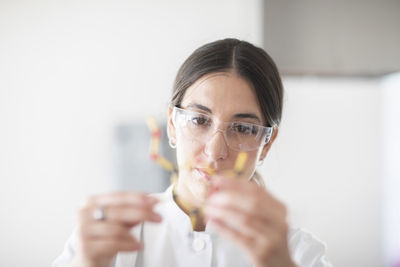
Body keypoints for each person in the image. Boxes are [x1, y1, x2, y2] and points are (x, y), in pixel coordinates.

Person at [53, 38, 332, 267]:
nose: (215, 152)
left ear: (266, 144)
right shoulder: (107, 239)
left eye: (243, 129)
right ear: (173, 125)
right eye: (199, 120)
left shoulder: (298, 254)